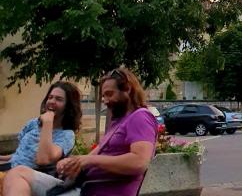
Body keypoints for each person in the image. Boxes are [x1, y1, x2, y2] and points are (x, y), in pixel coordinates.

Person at [3, 68, 158, 196]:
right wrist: (72, 162)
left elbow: (139, 162)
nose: (105, 100)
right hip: (80, 187)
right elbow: (93, 155)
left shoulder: (140, 117)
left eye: (109, 94)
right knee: (17, 173)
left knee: (16, 175)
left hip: (97, 191)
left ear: (128, 89)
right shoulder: (119, 122)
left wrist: (90, 161)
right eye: (103, 96)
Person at [0, 81, 81, 194]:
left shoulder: (67, 135)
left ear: (68, 107)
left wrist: (48, 123)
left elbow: (43, 159)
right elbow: (21, 153)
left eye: (58, 99)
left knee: (14, 176)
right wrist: (2, 158)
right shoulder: (33, 124)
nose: (52, 101)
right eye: (50, 97)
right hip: (11, 168)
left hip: (33, 177)